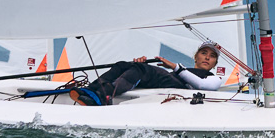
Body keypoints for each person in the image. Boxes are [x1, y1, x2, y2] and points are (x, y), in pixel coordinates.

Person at [69, 43, 226, 106]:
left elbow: (203, 86)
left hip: (182, 90)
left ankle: (103, 96)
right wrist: (138, 66)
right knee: (124, 65)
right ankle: (90, 90)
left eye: (212, 56)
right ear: (196, 57)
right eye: (204, 53)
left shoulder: (214, 78)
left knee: (143, 69)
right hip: (168, 85)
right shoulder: (184, 70)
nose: (207, 57)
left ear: (214, 63)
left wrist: (175, 67)